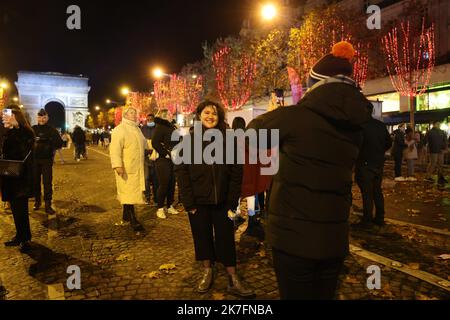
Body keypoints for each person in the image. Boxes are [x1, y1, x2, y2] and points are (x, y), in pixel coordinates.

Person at [248, 41, 371, 300]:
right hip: (334, 238)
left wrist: (275, 114)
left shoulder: (293, 118)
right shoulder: (358, 126)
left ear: (315, 86)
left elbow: (250, 137)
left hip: (293, 240)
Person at [175, 100, 254, 297]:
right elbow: (182, 173)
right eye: (206, 113)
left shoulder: (229, 141)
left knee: (226, 238)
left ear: (219, 118)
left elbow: (237, 173)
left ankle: (232, 277)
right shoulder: (189, 141)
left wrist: (232, 201)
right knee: (202, 237)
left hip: (223, 203)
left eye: (215, 114)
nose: (210, 116)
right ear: (199, 115)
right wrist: (189, 203)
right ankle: (207, 271)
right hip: (198, 203)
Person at [1, 105, 35, 252]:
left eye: (7, 115)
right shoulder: (6, 132)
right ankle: (19, 235)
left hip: (20, 178)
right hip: (9, 176)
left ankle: (25, 239)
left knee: (21, 210)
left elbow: (26, 146)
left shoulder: (25, 132)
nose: (4, 118)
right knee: (15, 209)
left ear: (16, 117)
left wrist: (18, 127)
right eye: (3, 115)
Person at [110, 106, 147, 231]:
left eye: (134, 112)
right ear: (124, 115)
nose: (134, 114)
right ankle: (133, 219)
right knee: (129, 192)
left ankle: (125, 215)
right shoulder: (119, 129)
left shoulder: (136, 128)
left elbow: (144, 143)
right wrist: (117, 165)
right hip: (126, 167)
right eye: (131, 113)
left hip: (136, 166)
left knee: (129, 191)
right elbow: (114, 149)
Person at [355, 106, 392, 228]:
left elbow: (356, 144)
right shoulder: (380, 125)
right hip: (378, 163)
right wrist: (379, 152)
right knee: (377, 191)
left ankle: (367, 219)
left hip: (365, 163)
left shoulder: (360, 126)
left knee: (367, 193)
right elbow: (388, 142)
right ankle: (380, 217)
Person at [32, 109, 63, 214]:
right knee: (35, 182)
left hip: (47, 160)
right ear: (37, 117)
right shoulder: (32, 129)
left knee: (47, 182)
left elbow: (59, 144)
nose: (42, 119)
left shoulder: (52, 130)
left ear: (47, 118)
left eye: (44, 117)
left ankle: (48, 204)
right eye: (40, 117)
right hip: (35, 159)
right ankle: (37, 201)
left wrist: (50, 141)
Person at [152, 109, 178, 219]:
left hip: (174, 158)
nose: (171, 115)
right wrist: (165, 154)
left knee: (172, 183)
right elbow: (155, 142)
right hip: (163, 160)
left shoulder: (172, 126)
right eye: (169, 114)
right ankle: (160, 208)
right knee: (164, 184)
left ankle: (169, 205)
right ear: (164, 116)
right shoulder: (160, 127)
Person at [141, 113, 158, 205]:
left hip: (156, 157)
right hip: (146, 158)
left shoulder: (158, 128)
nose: (150, 121)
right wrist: (146, 152)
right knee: (146, 178)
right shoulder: (143, 129)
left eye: (151, 119)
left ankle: (156, 198)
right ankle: (147, 197)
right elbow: (140, 143)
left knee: (156, 179)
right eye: (148, 119)